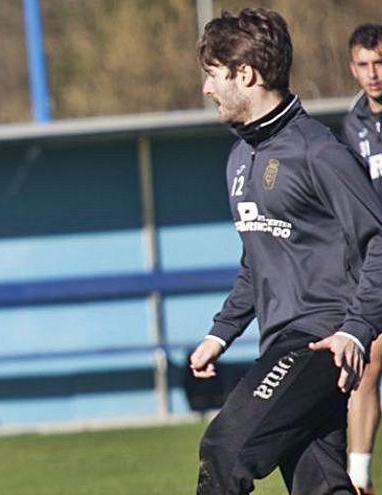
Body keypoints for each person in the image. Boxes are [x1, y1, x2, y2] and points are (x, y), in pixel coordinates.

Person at [189, 9, 382, 494]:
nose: (206, 90)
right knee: (318, 485)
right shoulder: (239, 158)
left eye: (213, 75)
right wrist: (222, 332)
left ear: (246, 75)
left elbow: (379, 239)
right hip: (281, 343)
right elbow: (258, 258)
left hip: (321, 341)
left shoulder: (320, 153)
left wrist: (356, 332)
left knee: (225, 450)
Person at [342, 23, 382, 495]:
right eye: (365, 65)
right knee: (368, 361)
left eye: (380, 63)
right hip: (376, 261)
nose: (373, 74)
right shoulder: (351, 126)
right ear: (353, 68)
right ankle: (358, 479)